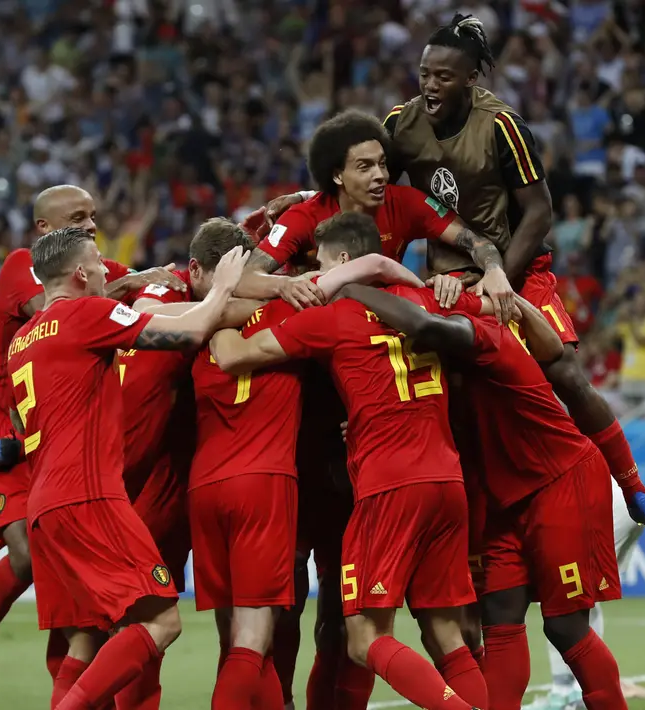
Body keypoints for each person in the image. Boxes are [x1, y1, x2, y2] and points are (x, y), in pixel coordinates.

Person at [252, 14, 645, 540]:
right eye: (425, 74)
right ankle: (468, 527)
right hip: (449, 276)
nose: (430, 85)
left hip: (517, 269)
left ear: (471, 79)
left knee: (564, 370)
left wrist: (500, 276)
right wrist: (303, 196)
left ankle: (632, 487)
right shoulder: (400, 123)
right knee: (449, 388)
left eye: (444, 77)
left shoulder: (501, 126)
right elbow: (359, 168)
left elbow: (540, 213)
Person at [209, 212, 490, 710]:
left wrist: (211, 318)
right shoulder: (426, 300)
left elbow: (236, 357)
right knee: (447, 635)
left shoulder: (332, 318)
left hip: (388, 487)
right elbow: (493, 309)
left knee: (363, 639)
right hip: (448, 482)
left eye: (320, 263)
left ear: (342, 261)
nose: (315, 275)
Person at [336, 282, 632, 710]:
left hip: (559, 483)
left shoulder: (488, 334)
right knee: (497, 616)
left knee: (565, 627)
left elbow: (426, 325)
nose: (443, 284)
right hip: (502, 496)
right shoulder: (454, 362)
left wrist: (352, 284)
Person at [0, 184, 186, 693]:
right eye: (79, 219)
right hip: (2, 431)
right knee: (28, 556)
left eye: (93, 217)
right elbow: (58, 307)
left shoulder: (92, 270)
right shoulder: (25, 264)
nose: (91, 228)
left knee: (85, 622)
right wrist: (133, 285)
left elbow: (154, 282)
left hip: (50, 439)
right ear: (44, 229)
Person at [7, 227, 245, 708]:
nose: (106, 271)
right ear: (79, 272)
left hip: (45, 506)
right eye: (98, 262)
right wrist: (223, 286)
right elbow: (190, 331)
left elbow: (19, 417)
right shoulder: (85, 313)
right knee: (160, 621)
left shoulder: (22, 341)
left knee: (87, 636)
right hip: (89, 495)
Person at [243, 109, 517, 322]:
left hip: (381, 319)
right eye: (364, 167)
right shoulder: (303, 216)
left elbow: (476, 242)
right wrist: (284, 286)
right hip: (317, 325)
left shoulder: (405, 202)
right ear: (337, 175)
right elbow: (247, 277)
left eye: (382, 164)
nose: (379, 176)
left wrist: (493, 270)